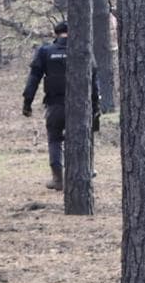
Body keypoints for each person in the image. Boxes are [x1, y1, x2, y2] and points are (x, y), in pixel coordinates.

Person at [22, 22, 100, 191]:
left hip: (55, 104)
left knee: (54, 139)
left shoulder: (45, 51)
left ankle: (58, 179)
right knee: (84, 137)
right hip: (81, 105)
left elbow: (34, 78)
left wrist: (27, 103)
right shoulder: (83, 49)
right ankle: (86, 171)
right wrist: (95, 105)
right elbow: (94, 80)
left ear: (55, 34)